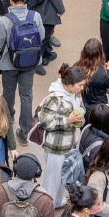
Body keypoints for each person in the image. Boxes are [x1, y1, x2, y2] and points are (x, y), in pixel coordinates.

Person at [0, 0, 45, 141]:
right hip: (30, 62)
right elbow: (42, 37)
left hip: (9, 64)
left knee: (8, 94)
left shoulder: (4, 20)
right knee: (27, 96)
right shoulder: (35, 16)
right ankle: (24, 134)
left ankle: (7, 124)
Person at [37, 64, 87, 207]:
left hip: (70, 144)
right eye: (80, 85)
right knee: (52, 179)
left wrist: (80, 118)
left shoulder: (75, 93)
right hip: (55, 147)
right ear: (69, 84)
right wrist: (68, 120)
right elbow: (45, 122)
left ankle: (58, 201)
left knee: (64, 176)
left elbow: (81, 108)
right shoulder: (54, 98)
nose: (82, 88)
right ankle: (46, 206)